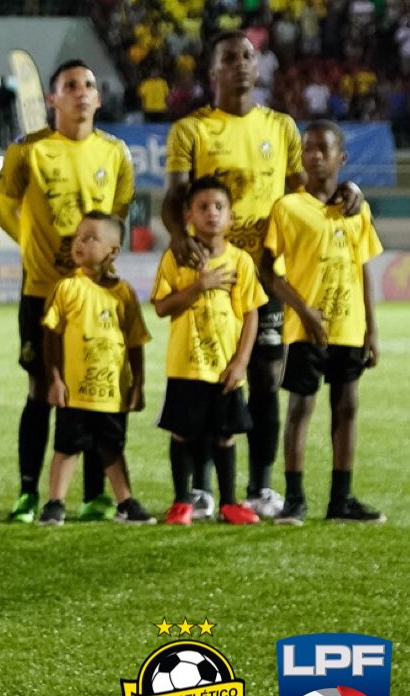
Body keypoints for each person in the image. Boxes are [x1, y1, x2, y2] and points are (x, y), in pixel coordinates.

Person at [161, 30, 347, 521]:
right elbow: (174, 195)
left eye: (248, 56)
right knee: (204, 379)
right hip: (212, 275)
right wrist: (178, 238)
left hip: (265, 275)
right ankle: (200, 490)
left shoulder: (282, 127)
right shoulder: (191, 130)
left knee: (265, 379)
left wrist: (348, 191)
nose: (242, 64)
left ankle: (261, 486)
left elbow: (298, 197)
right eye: (230, 57)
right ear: (213, 70)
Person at [0, 59, 135, 524]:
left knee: (95, 389)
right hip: (42, 290)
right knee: (41, 390)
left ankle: (95, 495)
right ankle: (29, 494)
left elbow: (119, 220)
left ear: (98, 97)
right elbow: (4, 206)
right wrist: (34, 246)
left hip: (97, 297)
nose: (81, 92)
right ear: (52, 99)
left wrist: (101, 261)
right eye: (70, 86)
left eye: (89, 84)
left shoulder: (116, 154)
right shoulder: (28, 151)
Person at [262, 121, 386, 524]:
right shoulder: (288, 207)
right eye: (308, 148)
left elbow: (364, 266)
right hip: (305, 328)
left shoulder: (356, 207)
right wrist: (303, 310)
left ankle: (341, 499)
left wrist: (371, 328)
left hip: (348, 327)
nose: (314, 155)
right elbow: (268, 270)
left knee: (347, 406)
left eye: (323, 148)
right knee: (301, 407)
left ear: (341, 158)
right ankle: (295, 498)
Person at [152, 176, 263, 527]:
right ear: (189, 215)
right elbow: (162, 306)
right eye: (203, 207)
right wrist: (200, 285)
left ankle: (230, 502)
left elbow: (251, 314)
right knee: (182, 433)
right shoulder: (177, 257)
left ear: (231, 216)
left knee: (225, 434)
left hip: (224, 367)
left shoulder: (241, 261)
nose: (211, 214)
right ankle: (181, 503)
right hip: (186, 365)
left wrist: (241, 362)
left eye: (219, 207)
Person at [35, 212, 153, 525]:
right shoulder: (66, 288)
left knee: (112, 447)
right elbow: (51, 337)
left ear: (112, 251)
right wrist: (56, 380)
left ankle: (125, 502)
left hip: (111, 392)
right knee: (66, 446)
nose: (80, 243)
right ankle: (55, 502)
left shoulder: (124, 294)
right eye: (78, 236)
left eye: (91, 238)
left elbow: (136, 342)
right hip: (75, 391)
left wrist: (137, 384)